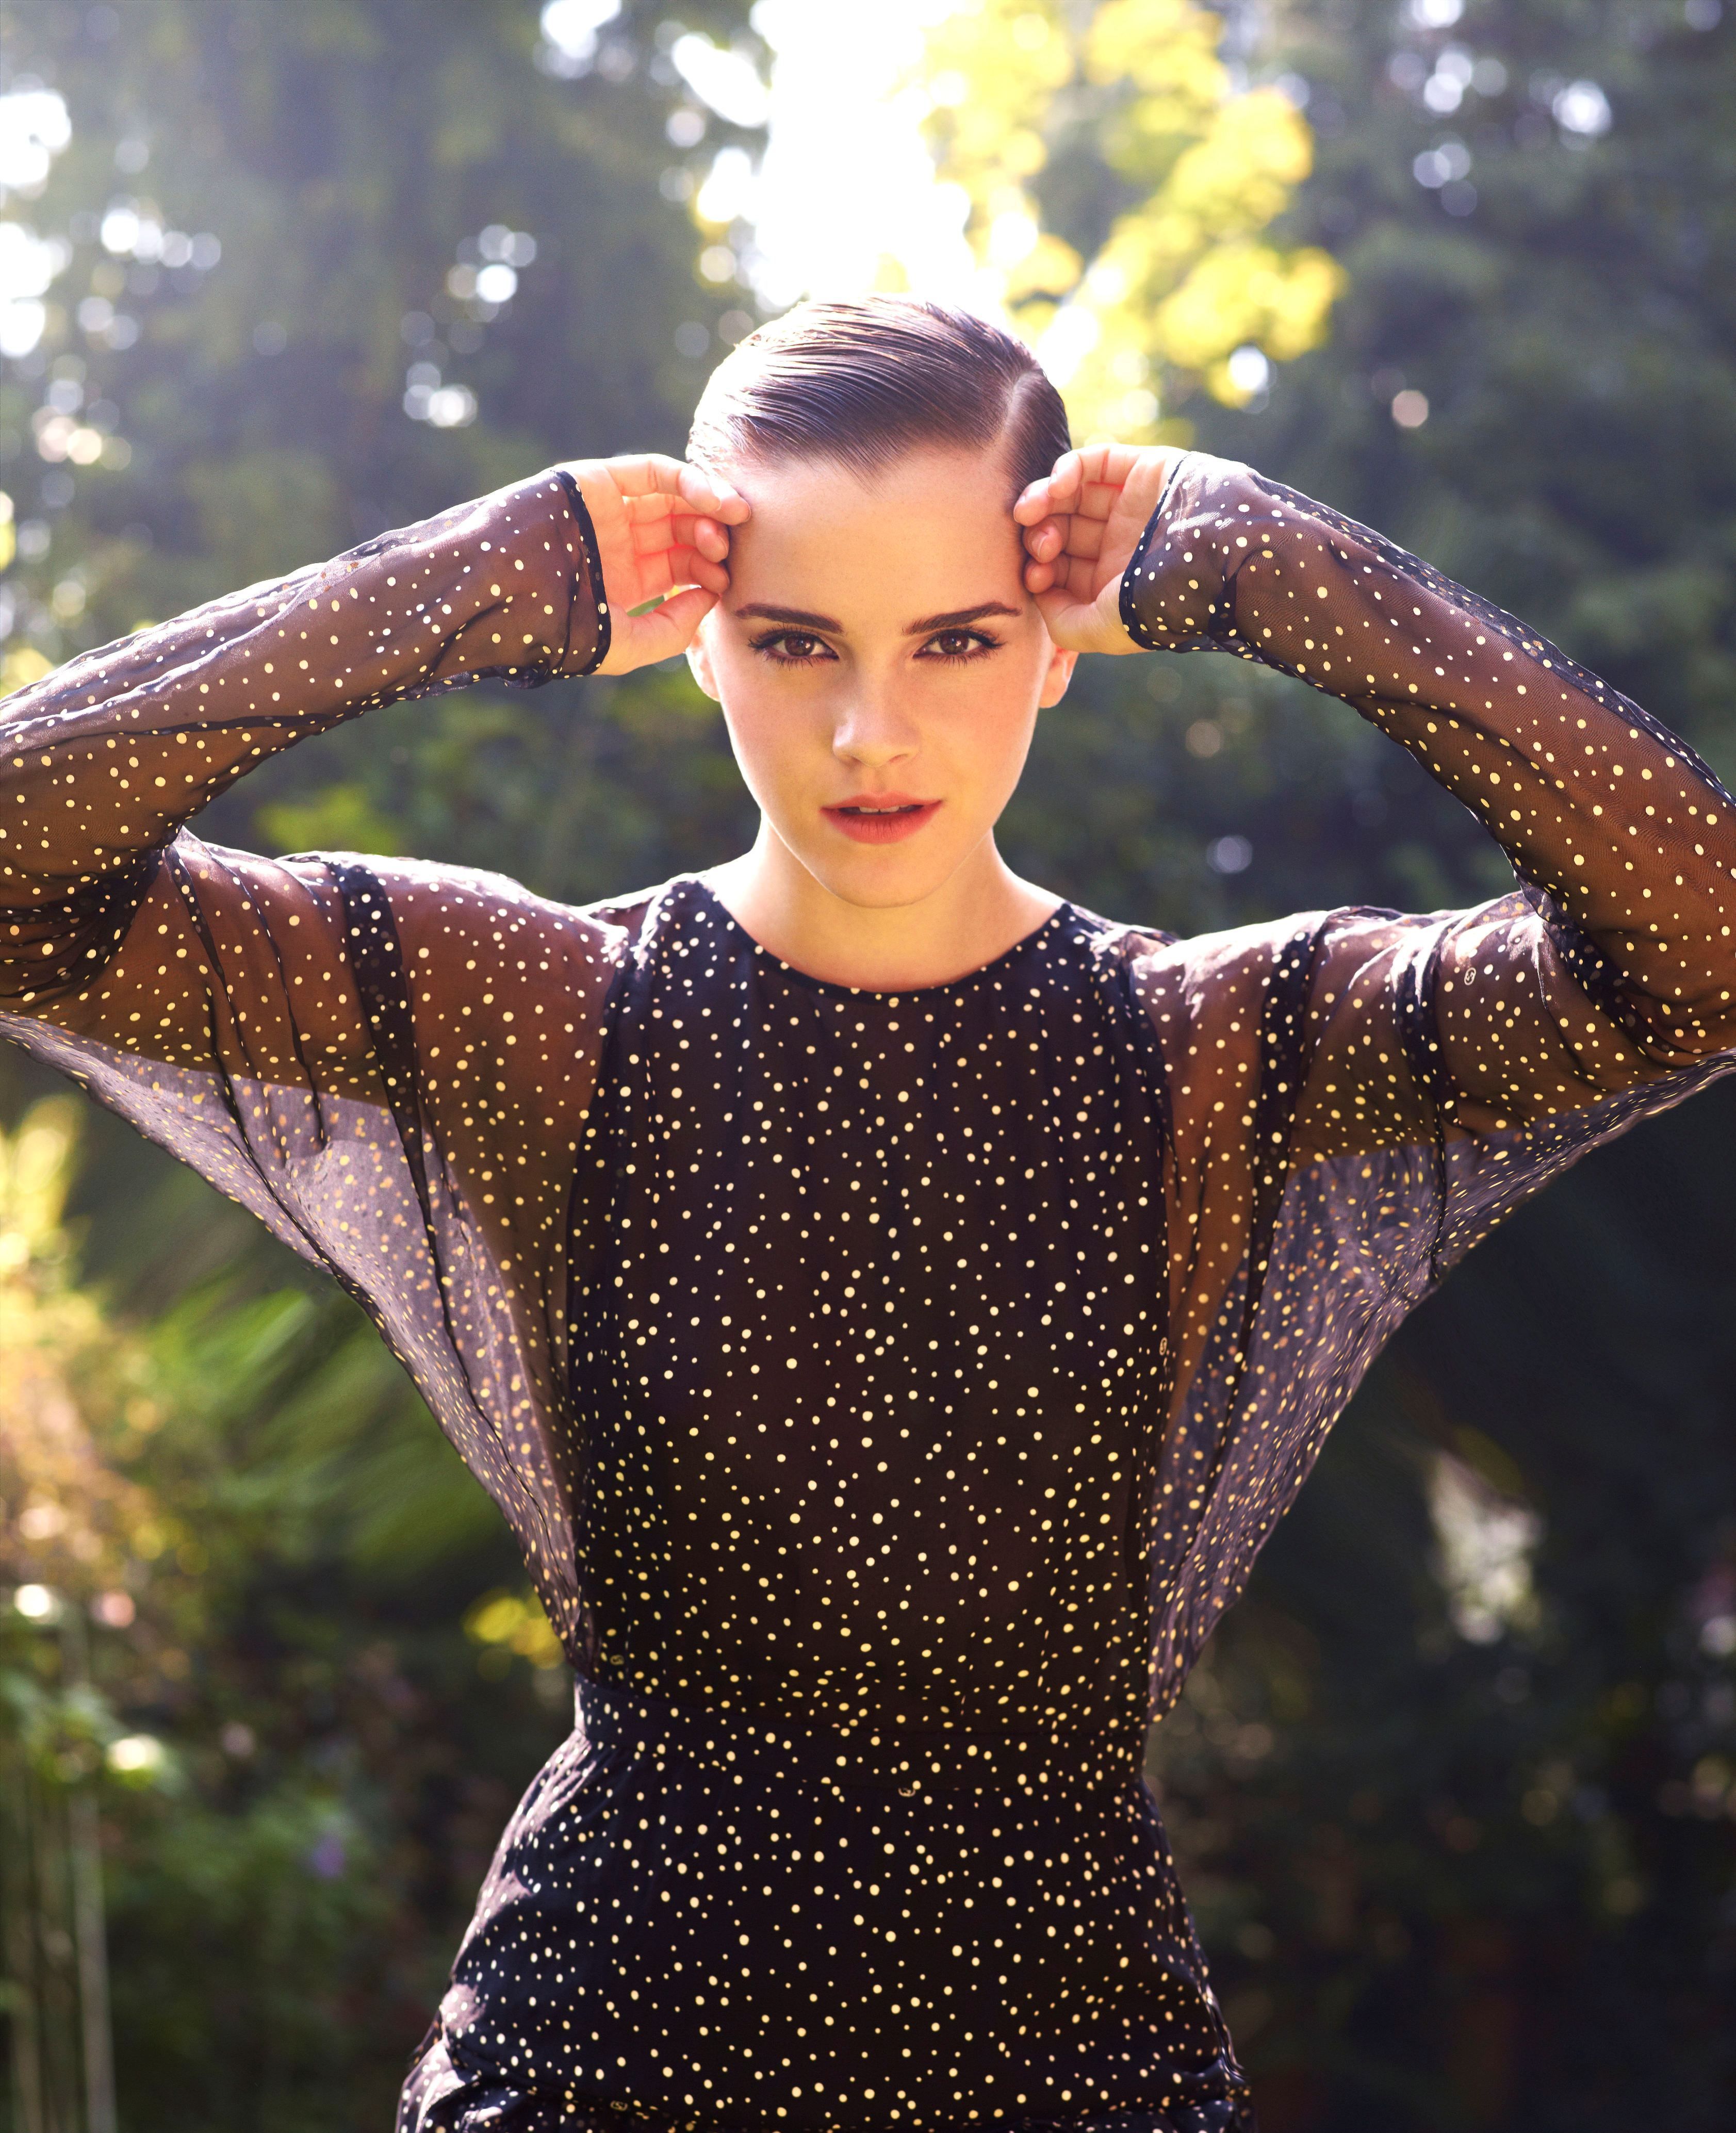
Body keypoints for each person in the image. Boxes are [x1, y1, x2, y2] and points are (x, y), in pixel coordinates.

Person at [2, 296, 1731, 2133]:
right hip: (603, 2069)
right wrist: (471, 579)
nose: (869, 731)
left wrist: (1272, 564)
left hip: (1075, 2072)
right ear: (700, 639)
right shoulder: (545, 1015)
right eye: (795, 640)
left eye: (956, 639)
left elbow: (1698, 953)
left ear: (1058, 639)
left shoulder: (1216, 1054)